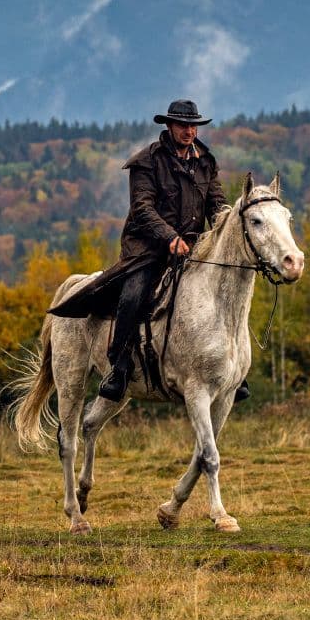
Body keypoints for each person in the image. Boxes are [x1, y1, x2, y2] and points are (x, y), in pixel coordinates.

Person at [48, 98, 232, 402]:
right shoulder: (147, 161)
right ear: (169, 126)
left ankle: (231, 369)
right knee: (134, 294)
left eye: (193, 126)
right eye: (183, 125)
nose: (189, 131)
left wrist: (227, 231)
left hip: (192, 250)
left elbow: (216, 203)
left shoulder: (206, 162)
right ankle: (118, 367)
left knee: (227, 294)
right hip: (147, 249)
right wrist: (169, 237)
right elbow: (142, 209)